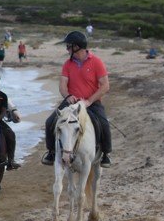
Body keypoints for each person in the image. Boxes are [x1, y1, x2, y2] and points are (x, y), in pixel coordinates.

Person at [41, 30, 113, 167]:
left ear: (77, 46)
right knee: (50, 121)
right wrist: (68, 96)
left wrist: (89, 101)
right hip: (71, 101)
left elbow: (105, 86)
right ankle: (51, 152)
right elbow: (62, 85)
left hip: (91, 102)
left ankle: (106, 154)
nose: (67, 48)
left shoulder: (97, 62)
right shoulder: (67, 64)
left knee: (104, 123)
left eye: (68, 46)